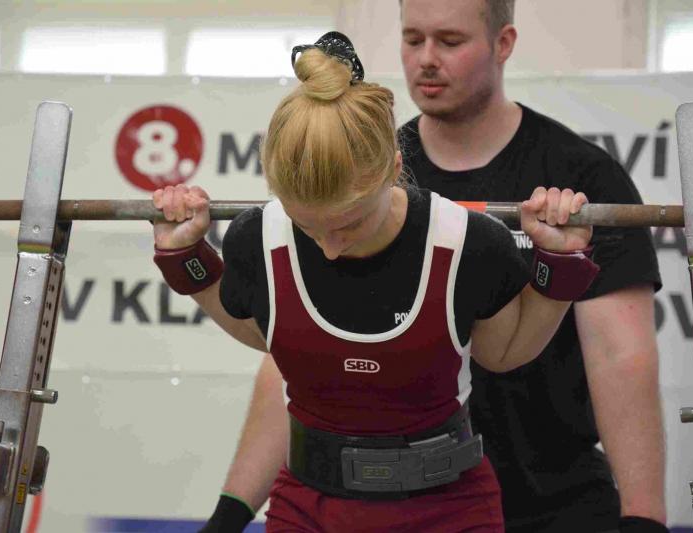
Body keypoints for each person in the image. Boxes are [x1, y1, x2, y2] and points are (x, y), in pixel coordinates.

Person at [200, 2, 667, 532]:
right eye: (412, 38)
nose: (426, 58)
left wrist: (644, 517)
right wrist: (230, 512)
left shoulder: (579, 178)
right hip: (360, 499)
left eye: (449, 41)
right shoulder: (354, 170)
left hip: (550, 504)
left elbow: (620, 357)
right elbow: (301, 357)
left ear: (503, 43)